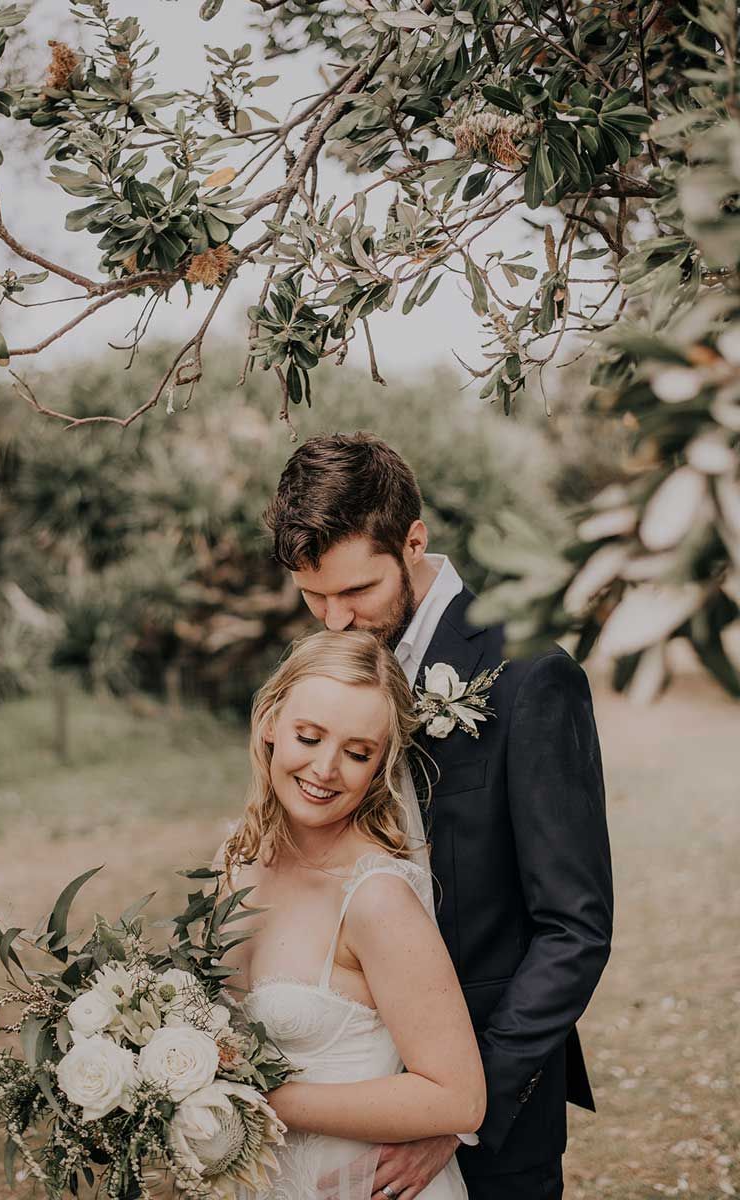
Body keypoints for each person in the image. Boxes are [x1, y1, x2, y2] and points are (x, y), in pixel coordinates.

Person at [263, 433, 614, 1200]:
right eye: (313, 596)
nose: (334, 620)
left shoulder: (529, 674)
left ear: (413, 541)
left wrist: (458, 1111)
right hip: (346, 1092)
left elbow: (574, 928)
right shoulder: (333, 668)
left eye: (355, 592)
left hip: (492, 1109)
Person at [221, 629, 484, 1200]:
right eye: (309, 737)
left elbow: (457, 1096)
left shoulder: (377, 897)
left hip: (351, 1184)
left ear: (380, 766)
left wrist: (256, 1096)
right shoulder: (234, 859)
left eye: (357, 752)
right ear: (270, 722)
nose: (325, 768)